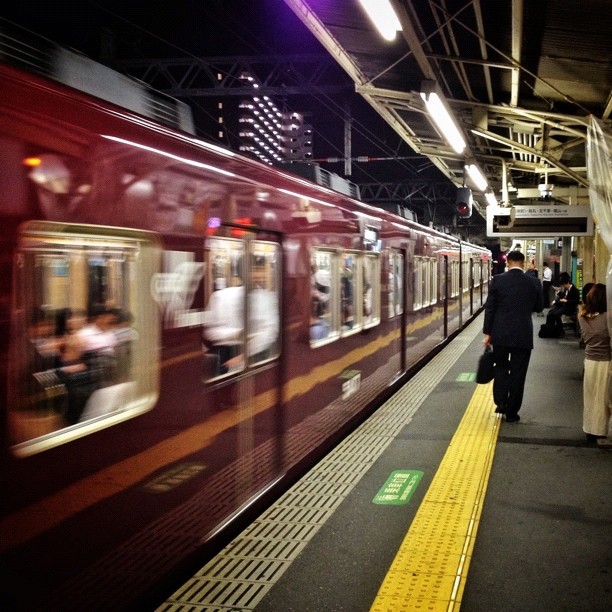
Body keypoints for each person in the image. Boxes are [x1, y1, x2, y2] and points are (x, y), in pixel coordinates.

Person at [483, 250, 544, 422]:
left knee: (501, 366)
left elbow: (490, 309)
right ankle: (512, 412)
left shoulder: (498, 281)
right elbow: (539, 307)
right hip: (523, 334)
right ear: (523, 263)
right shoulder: (534, 282)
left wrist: (488, 333)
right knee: (519, 373)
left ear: (508, 262)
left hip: (500, 334)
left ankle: (501, 402)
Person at [577, 284, 611, 442]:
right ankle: (601, 429)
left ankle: (589, 429)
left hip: (590, 360)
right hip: (606, 361)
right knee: (604, 399)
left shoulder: (582, 315)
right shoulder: (608, 317)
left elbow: (586, 339)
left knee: (590, 397)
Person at [546, 272, 580, 336]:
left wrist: (566, 301)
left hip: (570, 307)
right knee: (551, 313)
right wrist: (559, 295)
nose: (563, 287)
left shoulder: (575, 290)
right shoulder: (566, 289)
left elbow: (576, 301)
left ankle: (560, 330)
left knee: (556, 314)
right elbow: (564, 296)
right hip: (564, 306)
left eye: (564, 285)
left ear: (567, 283)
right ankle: (550, 328)